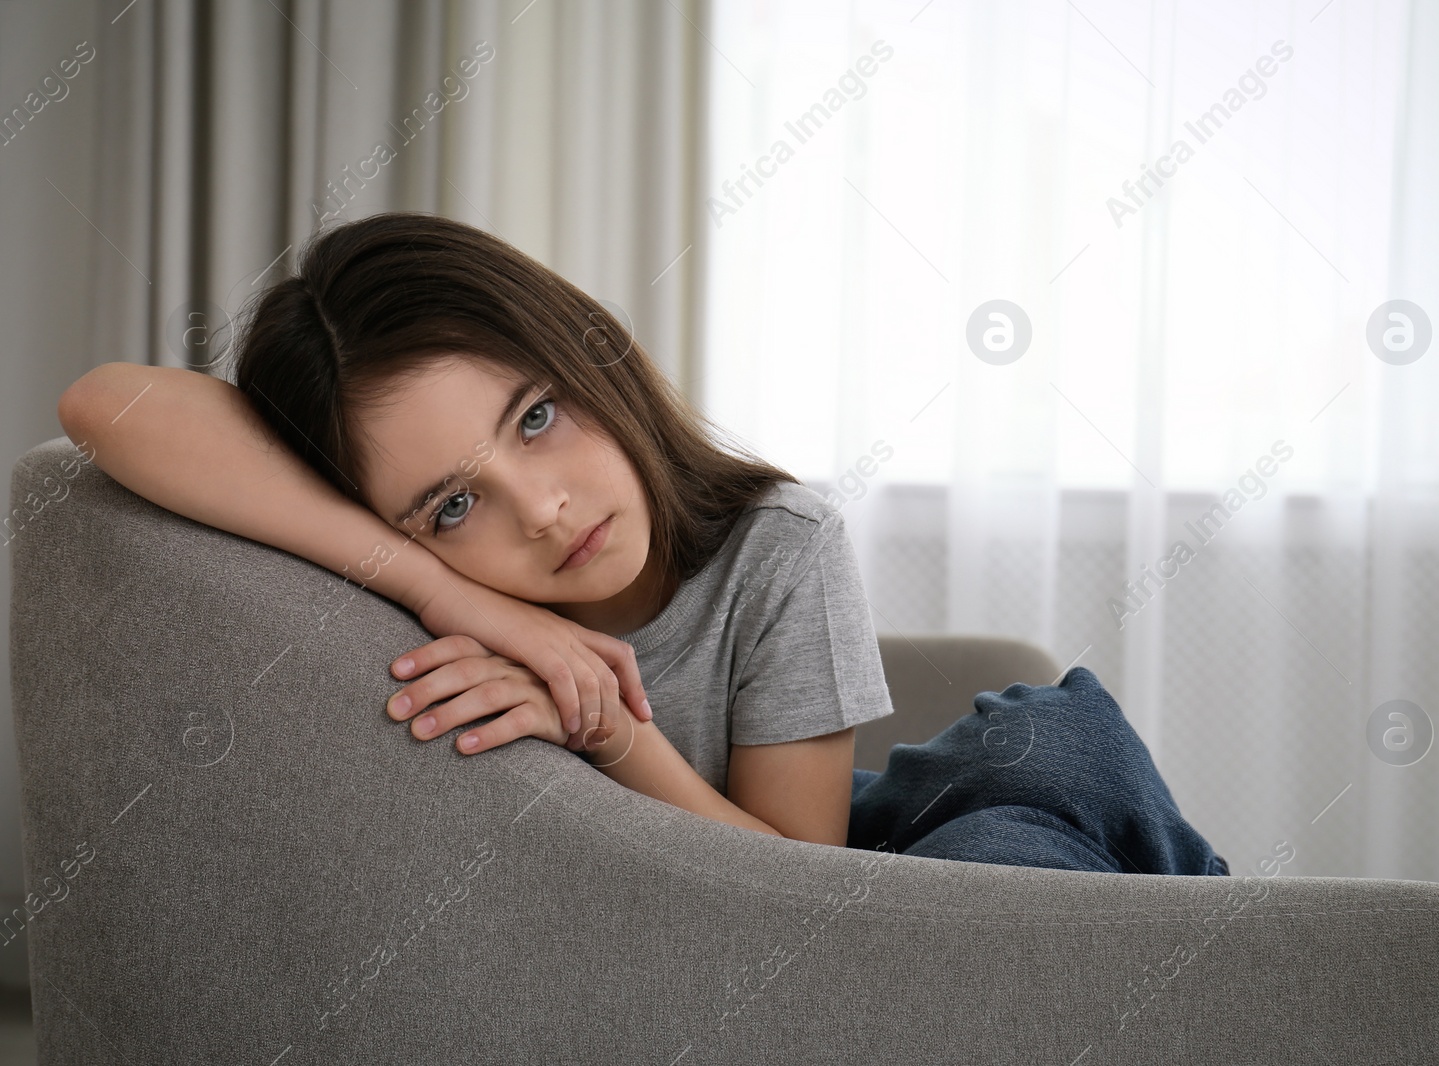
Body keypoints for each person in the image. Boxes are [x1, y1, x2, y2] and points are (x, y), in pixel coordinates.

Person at [56, 211, 1227, 876]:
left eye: (535, 418)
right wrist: (441, 588)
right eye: (453, 505)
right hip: (660, 923)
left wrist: (612, 733)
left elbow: (799, 888)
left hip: (814, 868)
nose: (544, 510)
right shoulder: (410, 584)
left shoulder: (779, 546)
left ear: (587, 352)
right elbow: (105, 405)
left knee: (1039, 768)